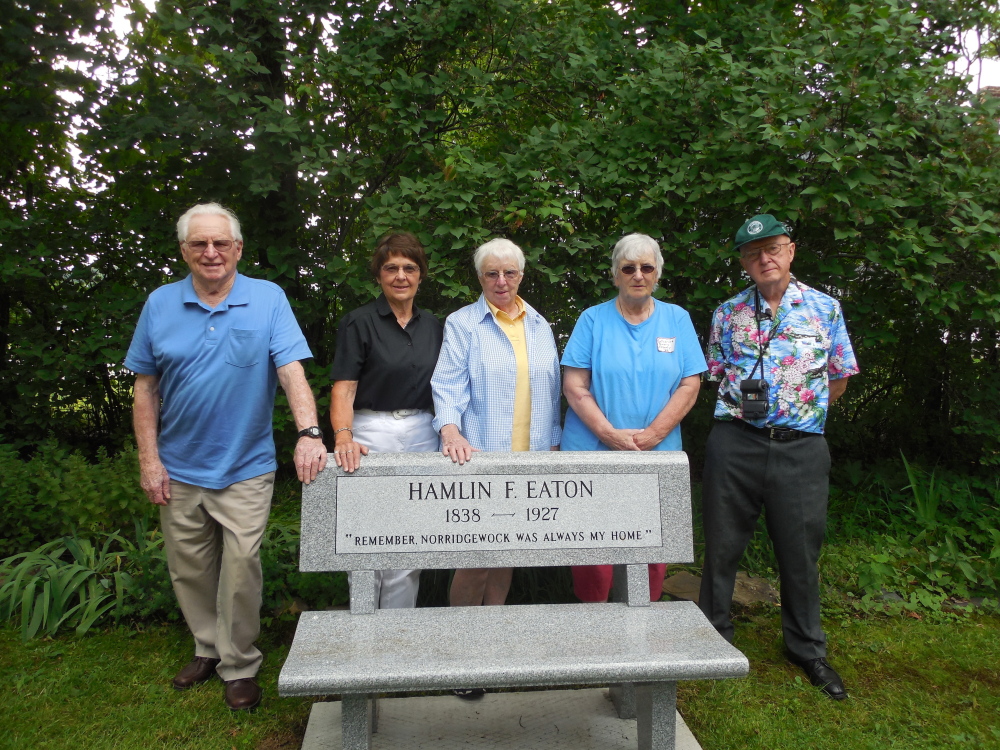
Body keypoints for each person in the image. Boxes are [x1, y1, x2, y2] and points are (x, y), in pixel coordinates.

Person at [125, 202, 327, 711]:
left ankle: (239, 663)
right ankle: (207, 647)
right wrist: (150, 461)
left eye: (221, 243)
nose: (211, 252)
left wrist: (309, 431)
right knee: (189, 567)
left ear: (238, 248)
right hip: (180, 464)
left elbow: (291, 371)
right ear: (185, 251)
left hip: (245, 465)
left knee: (241, 566)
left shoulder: (268, 298)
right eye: (200, 244)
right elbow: (145, 390)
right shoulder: (159, 304)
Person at [698, 213, 859, 700]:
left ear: (790, 251)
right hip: (736, 442)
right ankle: (712, 639)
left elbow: (839, 375)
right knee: (721, 546)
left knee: (800, 553)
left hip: (802, 448)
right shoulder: (727, 313)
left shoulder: (825, 309)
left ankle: (807, 648)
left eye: (773, 248)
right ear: (744, 262)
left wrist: (801, 412)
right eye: (752, 253)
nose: (763, 258)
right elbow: (716, 372)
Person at [431, 238, 561, 697]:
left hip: (530, 459)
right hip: (479, 457)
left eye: (509, 273)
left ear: (522, 275)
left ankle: (493, 636)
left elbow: (551, 389)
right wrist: (449, 431)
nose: (501, 282)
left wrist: (553, 444)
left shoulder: (541, 324)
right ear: (479, 278)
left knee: (509, 551)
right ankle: (463, 654)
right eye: (491, 274)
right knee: (474, 557)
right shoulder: (462, 323)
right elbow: (447, 383)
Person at [561, 233, 706, 603]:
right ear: (615, 274)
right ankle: (594, 629)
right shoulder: (592, 320)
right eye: (628, 268)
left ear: (657, 274)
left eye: (646, 267)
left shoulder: (677, 319)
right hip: (595, 451)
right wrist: (610, 434)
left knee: (652, 550)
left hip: (657, 453)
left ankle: (642, 631)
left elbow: (690, 384)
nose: (637, 274)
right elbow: (575, 385)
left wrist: (654, 435)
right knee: (594, 550)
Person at [329, 231, 443, 609]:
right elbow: (344, 388)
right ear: (378, 275)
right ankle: (363, 630)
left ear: (421, 276)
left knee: (411, 540)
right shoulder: (358, 323)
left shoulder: (435, 327)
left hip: (421, 435)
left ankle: (398, 635)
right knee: (365, 535)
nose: (400, 276)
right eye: (391, 268)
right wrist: (343, 436)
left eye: (409, 268)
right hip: (369, 433)